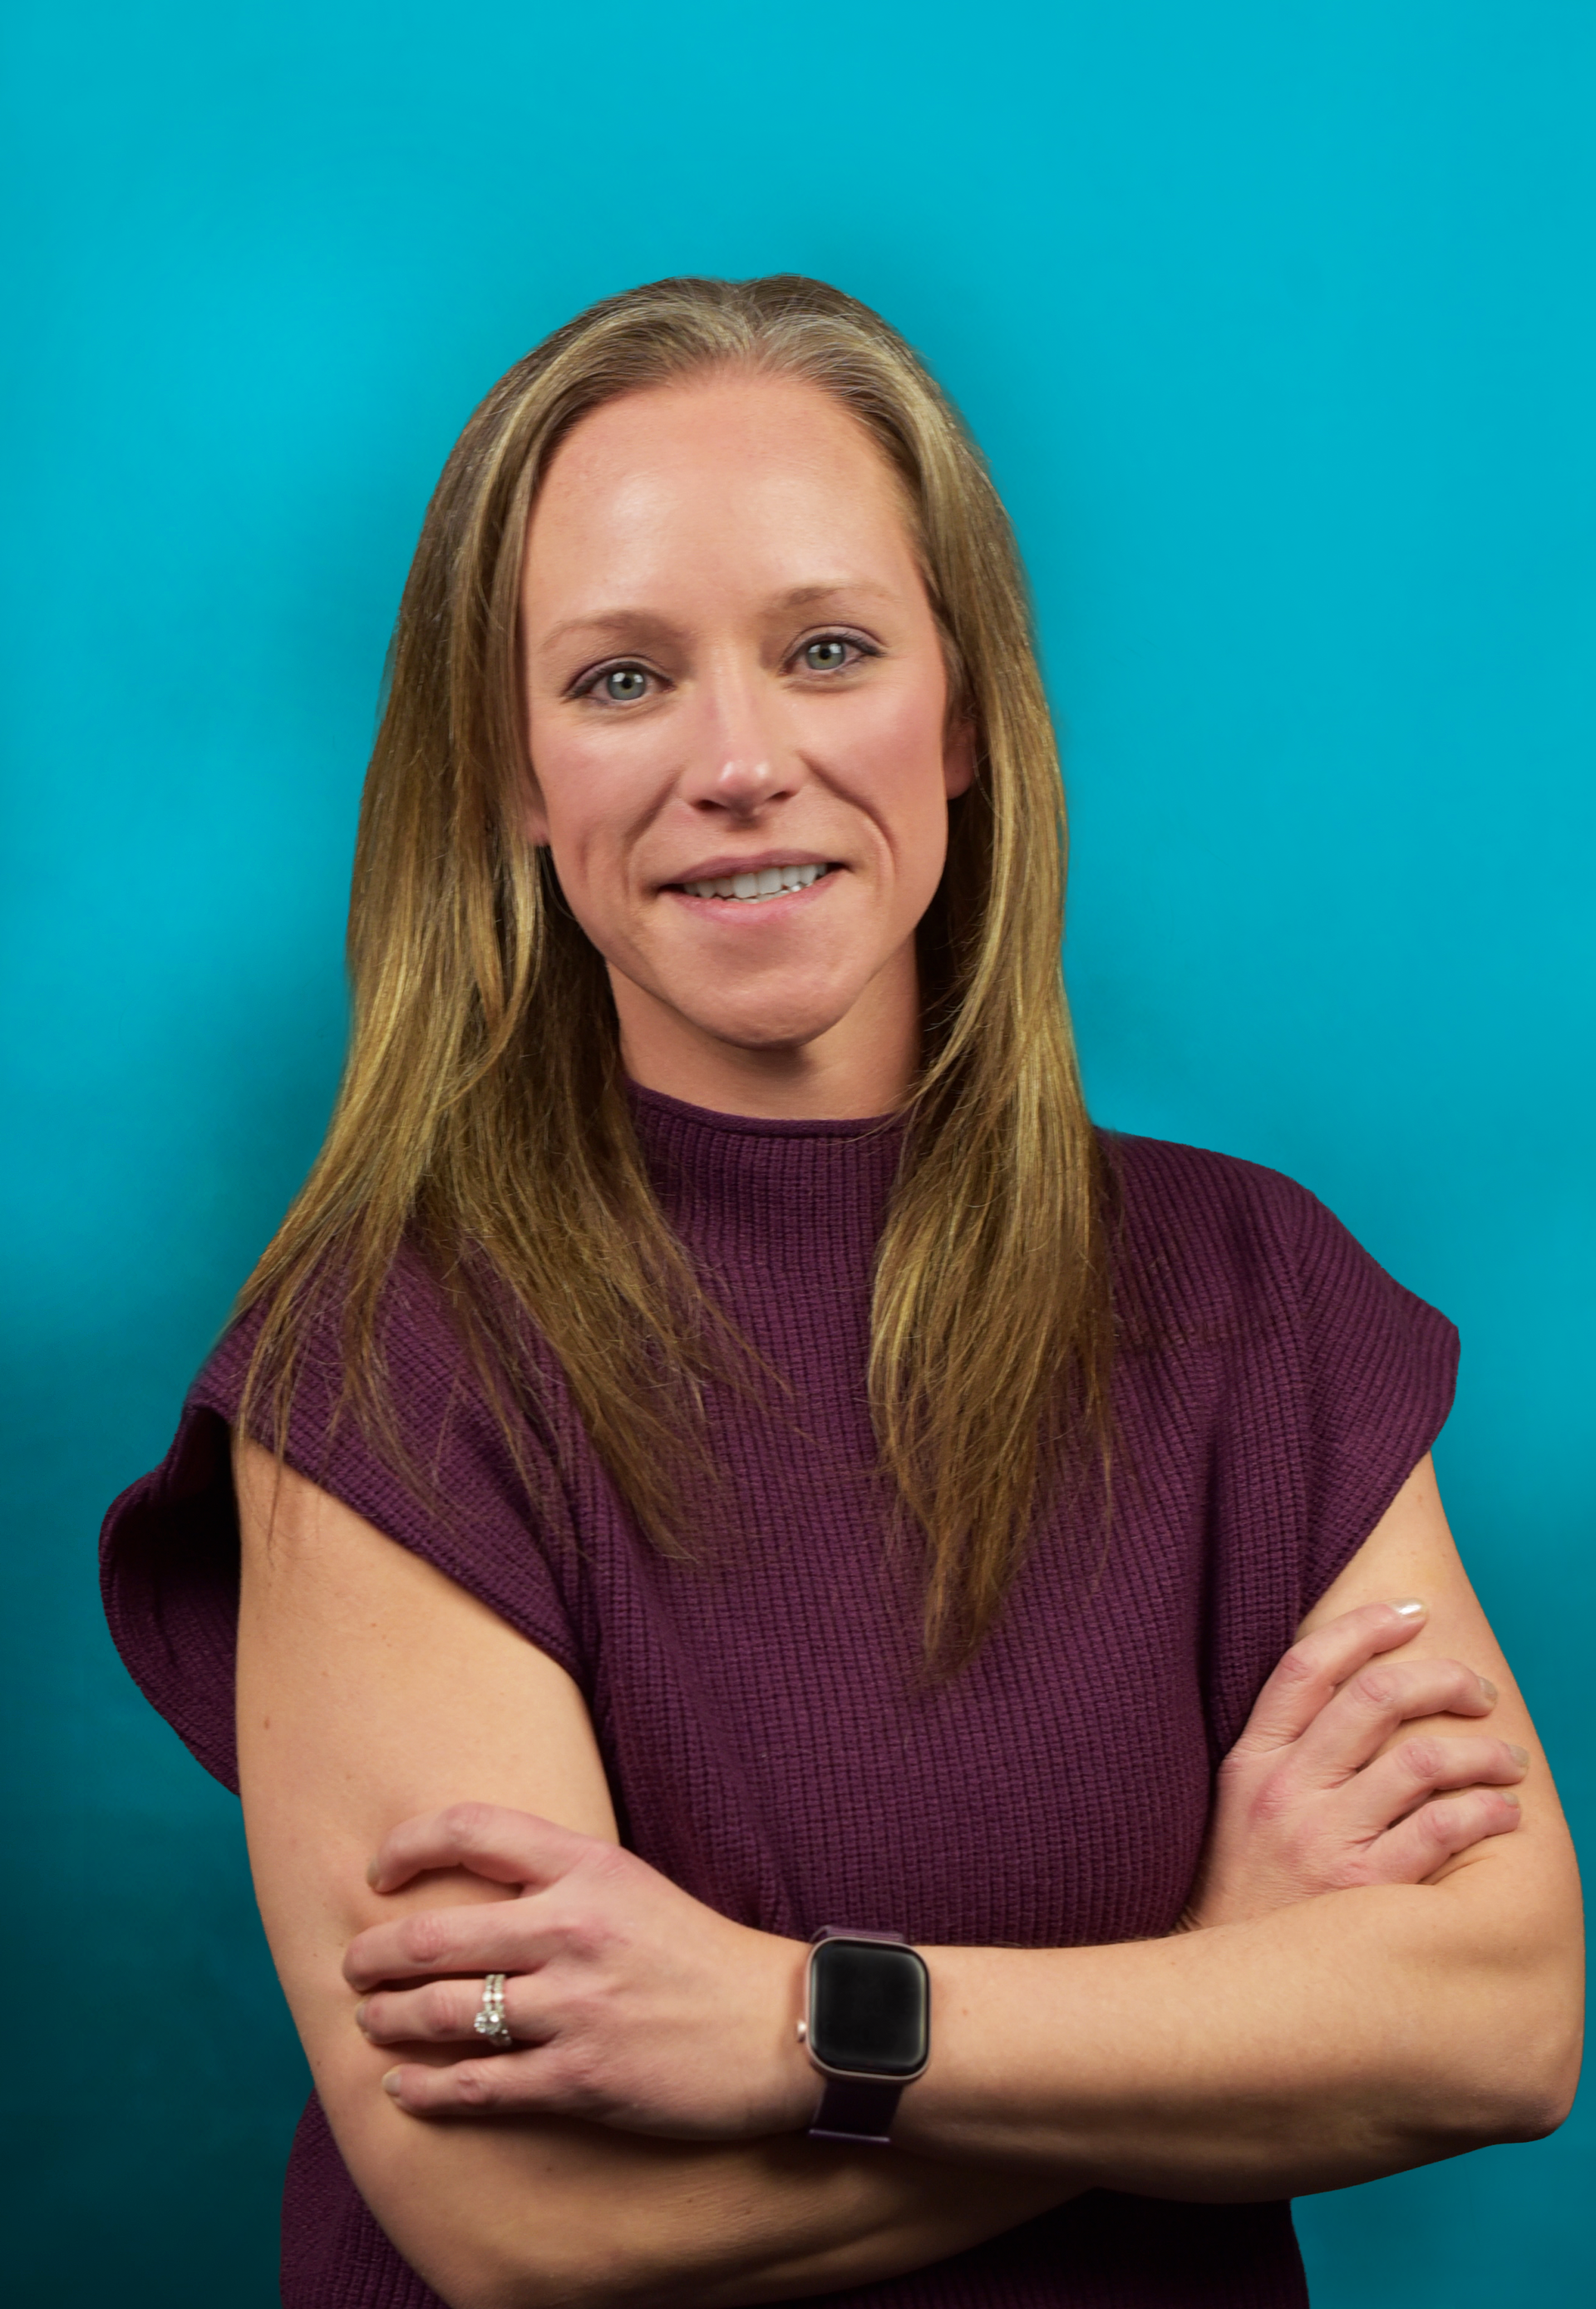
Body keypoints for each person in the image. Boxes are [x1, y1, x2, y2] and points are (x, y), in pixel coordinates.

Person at [101, 275, 1582, 2309]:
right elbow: (527, 2232)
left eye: (828, 651)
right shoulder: (386, 1371)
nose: (741, 762)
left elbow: (1498, 2026)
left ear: (961, 716)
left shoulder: (1259, 1301)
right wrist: (1216, 2011)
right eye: (620, 680)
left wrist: (806, 2020)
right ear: (515, 778)